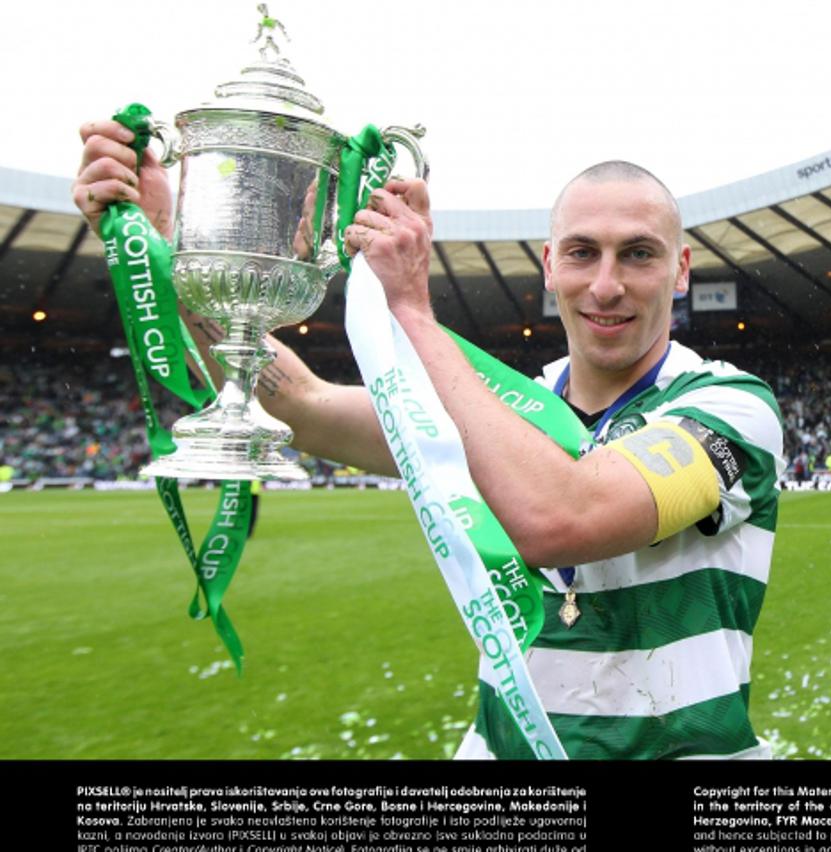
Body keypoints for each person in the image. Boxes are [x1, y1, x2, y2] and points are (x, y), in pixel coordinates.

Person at [75, 121, 784, 760]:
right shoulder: (500, 408)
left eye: (637, 255)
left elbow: (565, 516)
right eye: (581, 253)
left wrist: (409, 308)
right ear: (548, 265)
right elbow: (306, 405)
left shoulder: (729, 408)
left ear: (681, 269)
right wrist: (168, 246)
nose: (605, 285)